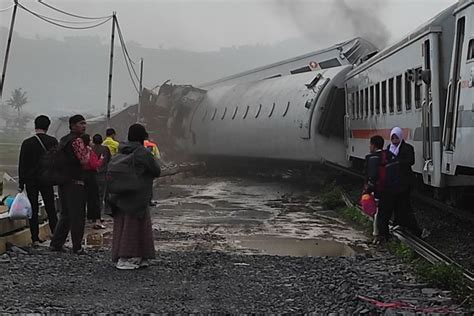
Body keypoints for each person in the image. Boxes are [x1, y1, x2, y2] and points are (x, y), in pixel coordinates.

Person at [109, 123, 161, 270]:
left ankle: (126, 256)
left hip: (120, 195)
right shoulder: (142, 153)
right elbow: (156, 171)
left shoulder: (120, 150)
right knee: (135, 227)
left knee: (121, 226)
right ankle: (129, 258)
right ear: (143, 137)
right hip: (137, 195)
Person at [50, 114, 90, 254]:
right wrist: (88, 150)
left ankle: (56, 244)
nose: (84, 126)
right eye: (81, 123)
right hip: (76, 182)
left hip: (63, 182)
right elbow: (84, 161)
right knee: (77, 215)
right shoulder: (77, 141)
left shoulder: (64, 140)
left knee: (65, 214)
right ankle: (77, 247)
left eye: (84, 123)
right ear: (73, 125)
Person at [18, 115, 58, 246]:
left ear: (35, 125)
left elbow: (22, 164)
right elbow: (56, 162)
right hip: (47, 179)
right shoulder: (53, 141)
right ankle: (56, 237)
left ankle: (35, 238)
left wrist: (21, 183)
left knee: (33, 209)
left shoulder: (27, 143)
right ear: (48, 126)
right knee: (51, 208)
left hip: (31, 181)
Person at [388, 127, 422, 237]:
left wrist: (398, 162)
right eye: (393, 137)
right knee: (398, 203)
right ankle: (400, 224)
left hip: (405, 181)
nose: (394, 139)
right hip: (394, 181)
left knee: (404, 204)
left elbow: (411, 161)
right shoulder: (389, 148)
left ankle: (413, 228)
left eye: (396, 137)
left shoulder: (408, 148)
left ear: (401, 137)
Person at [364, 135, 397, 244]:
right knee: (385, 213)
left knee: (377, 213)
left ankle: (378, 236)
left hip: (379, 190)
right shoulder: (389, 155)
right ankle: (384, 235)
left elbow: (372, 176)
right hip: (391, 188)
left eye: (370, 144)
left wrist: (368, 189)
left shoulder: (372, 158)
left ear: (373, 145)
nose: (369, 146)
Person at [81, 134, 105, 229]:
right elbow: (94, 165)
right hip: (91, 176)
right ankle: (96, 221)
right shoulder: (89, 151)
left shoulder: (79, 151)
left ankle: (86, 218)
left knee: (84, 199)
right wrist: (101, 160)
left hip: (82, 176)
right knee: (94, 199)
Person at [91, 134, 111, 221]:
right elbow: (109, 159)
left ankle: (92, 214)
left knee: (93, 195)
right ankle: (100, 214)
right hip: (103, 174)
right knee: (102, 195)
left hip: (92, 174)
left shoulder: (90, 149)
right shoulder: (105, 149)